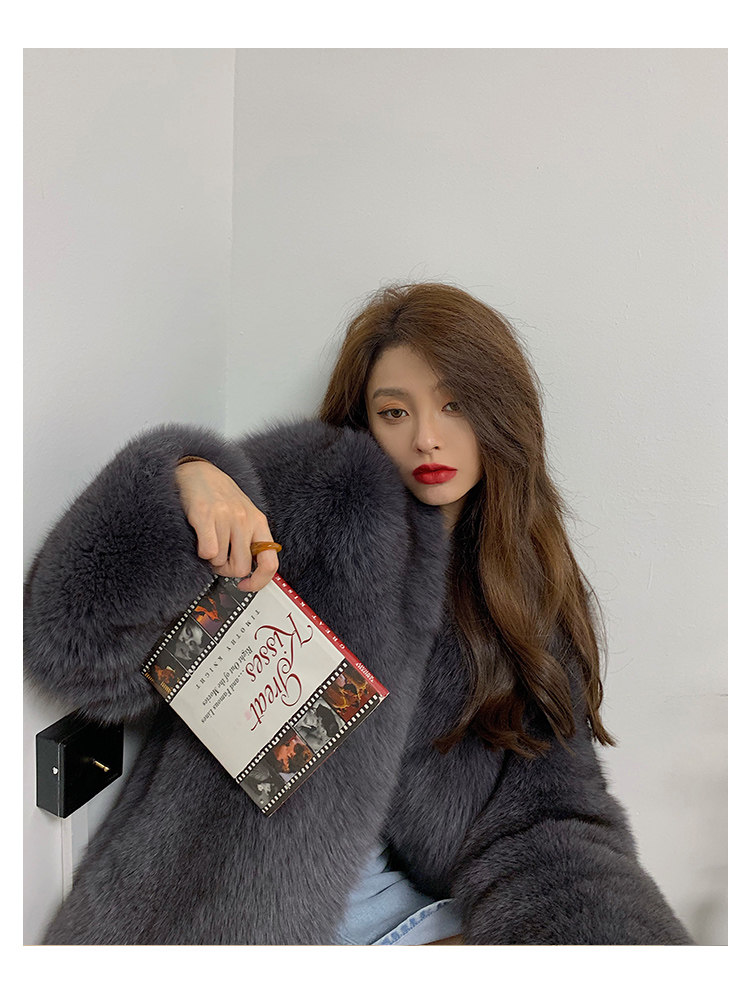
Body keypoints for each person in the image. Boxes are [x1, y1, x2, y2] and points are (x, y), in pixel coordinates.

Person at [24, 283, 693, 945]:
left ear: (500, 414)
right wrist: (186, 476)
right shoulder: (311, 495)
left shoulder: (516, 591)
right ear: (366, 419)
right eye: (395, 412)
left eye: (454, 405)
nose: (427, 438)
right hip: (227, 920)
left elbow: (548, 821)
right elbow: (76, 650)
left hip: (418, 924)